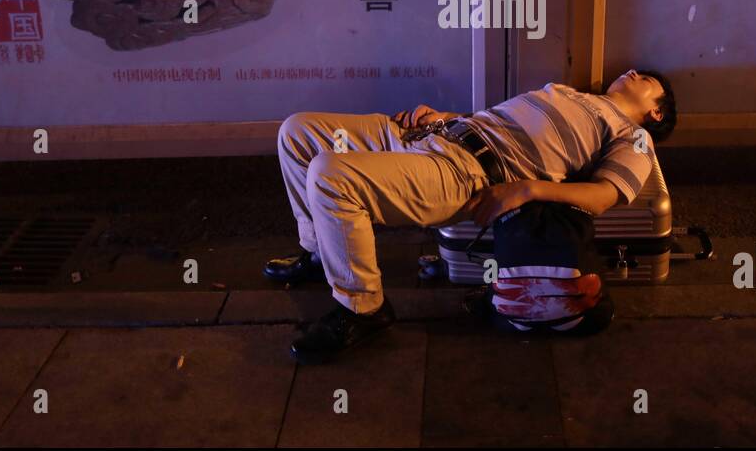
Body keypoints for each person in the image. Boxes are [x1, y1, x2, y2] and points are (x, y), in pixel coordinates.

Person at [266, 69, 676, 363]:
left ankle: (363, 308)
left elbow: (604, 195)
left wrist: (527, 188)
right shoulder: (571, 95)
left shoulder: (633, 135)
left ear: (656, 113)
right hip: (442, 135)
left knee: (330, 174)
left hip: (466, 172)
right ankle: (321, 251)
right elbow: (497, 121)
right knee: (298, 131)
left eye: (648, 80)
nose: (634, 71)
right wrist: (446, 118)